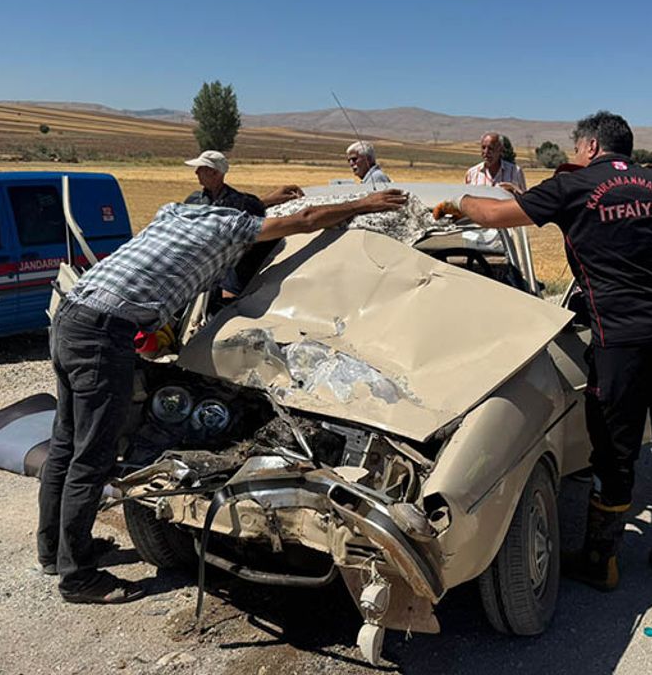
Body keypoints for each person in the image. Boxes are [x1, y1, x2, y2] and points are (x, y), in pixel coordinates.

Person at [37, 188, 408, 604]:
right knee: (93, 455)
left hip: (71, 317)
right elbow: (305, 220)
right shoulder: (232, 228)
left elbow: (240, 208)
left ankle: (54, 552)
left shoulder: (176, 213)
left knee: (66, 445)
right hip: (105, 335)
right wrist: (363, 204)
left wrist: (269, 199)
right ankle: (78, 578)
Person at [433, 111, 652, 593]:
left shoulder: (573, 187)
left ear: (592, 147)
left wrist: (458, 201)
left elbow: (495, 215)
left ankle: (602, 561)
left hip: (622, 337)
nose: (575, 155)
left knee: (615, 451)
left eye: (577, 148)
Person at [181, 150, 303, 298]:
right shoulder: (193, 201)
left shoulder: (242, 203)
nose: (196, 172)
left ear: (215, 173)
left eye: (201, 168)